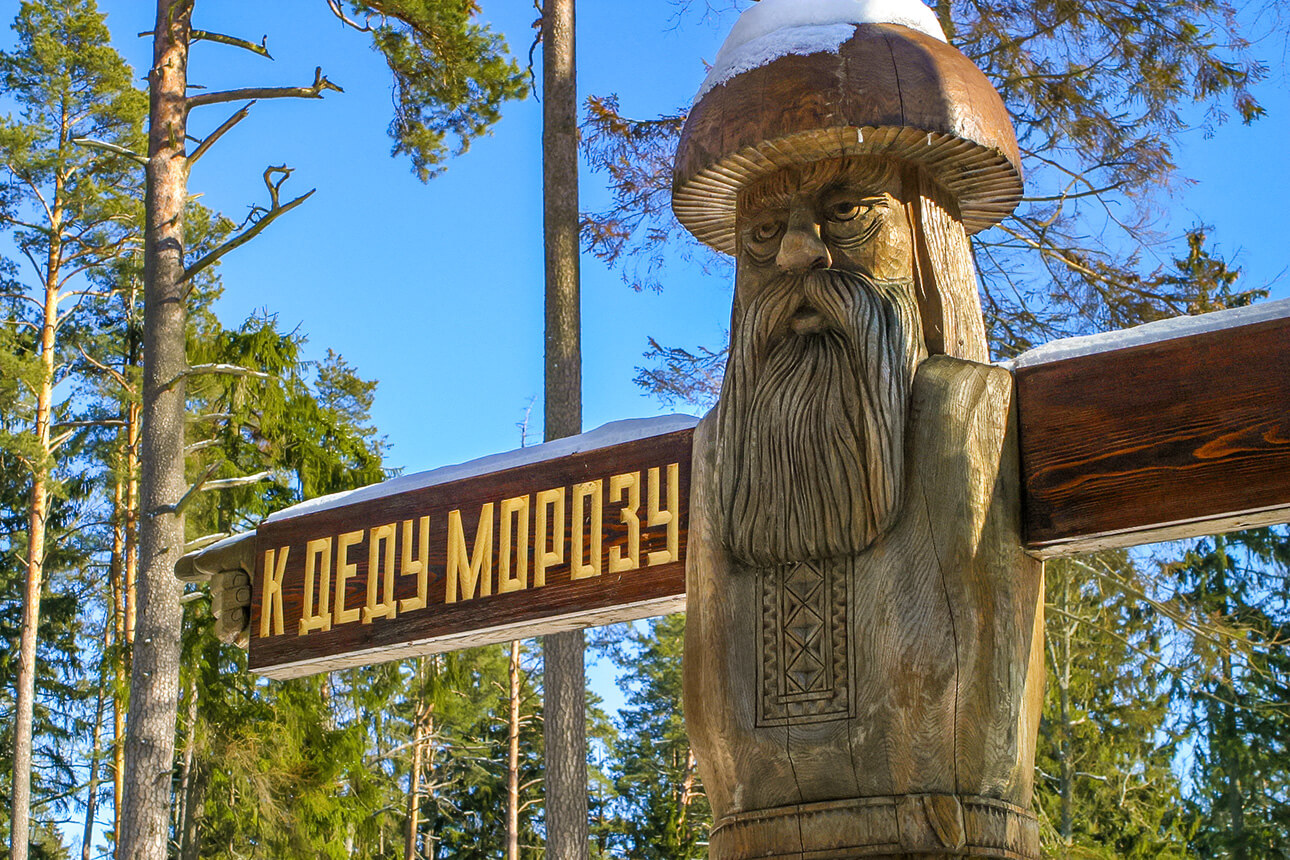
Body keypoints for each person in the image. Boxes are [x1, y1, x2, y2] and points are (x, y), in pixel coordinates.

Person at [673, 1, 1045, 856]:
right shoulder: (718, 459)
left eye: (846, 213)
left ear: (924, 239)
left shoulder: (969, 422)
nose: (798, 254)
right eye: (764, 234)